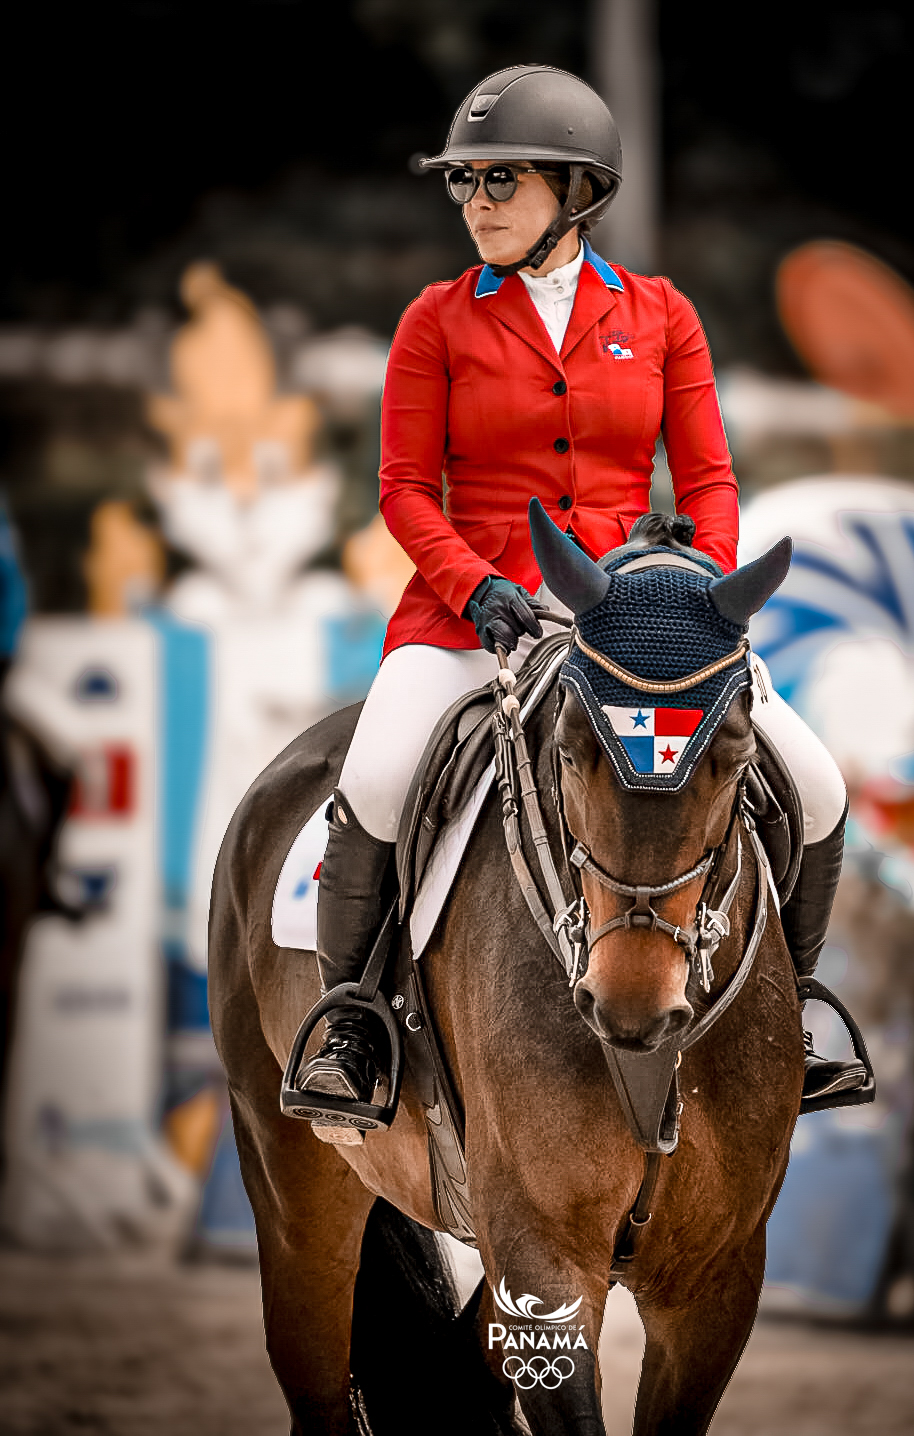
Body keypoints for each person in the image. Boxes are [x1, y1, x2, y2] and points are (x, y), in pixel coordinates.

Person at [293, 64, 868, 1117]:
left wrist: (696, 597)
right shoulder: (435, 321)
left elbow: (707, 481)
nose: (474, 203)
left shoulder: (657, 315)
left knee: (818, 784)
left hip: (637, 618)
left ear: (575, 190)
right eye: (462, 183)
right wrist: (474, 590)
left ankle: (800, 1012)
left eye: (498, 180)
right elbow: (404, 488)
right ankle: (352, 1026)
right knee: (376, 777)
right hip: (472, 610)